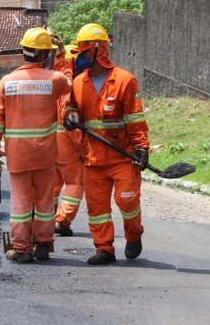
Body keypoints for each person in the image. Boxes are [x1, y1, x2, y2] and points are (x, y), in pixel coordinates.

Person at [63, 23, 150, 265]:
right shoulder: (79, 83)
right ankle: (104, 248)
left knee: (127, 200)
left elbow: (135, 119)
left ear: (99, 50)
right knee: (97, 207)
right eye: (78, 52)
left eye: (85, 51)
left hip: (123, 156)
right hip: (93, 158)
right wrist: (70, 116)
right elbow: (70, 106)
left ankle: (133, 235)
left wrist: (142, 148)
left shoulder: (125, 81)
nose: (80, 57)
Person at [0, 28, 72, 263]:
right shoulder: (55, 80)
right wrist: (60, 54)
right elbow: (69, 85)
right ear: (44, 55)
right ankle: (43, 245)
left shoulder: (7, 82)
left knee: (22, 203)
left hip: (18, 155)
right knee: (44, 202)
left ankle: (22, 248)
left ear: (23, 52)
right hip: (45, 154)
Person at [53, 43, 84, 237]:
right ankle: (62, 220)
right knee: (75, 183)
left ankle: (45, 219)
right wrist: (83, 148)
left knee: (53, 185)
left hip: (47, 145)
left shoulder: (47, 78)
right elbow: (70, 121)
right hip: (66, 145)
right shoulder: (68, 84)